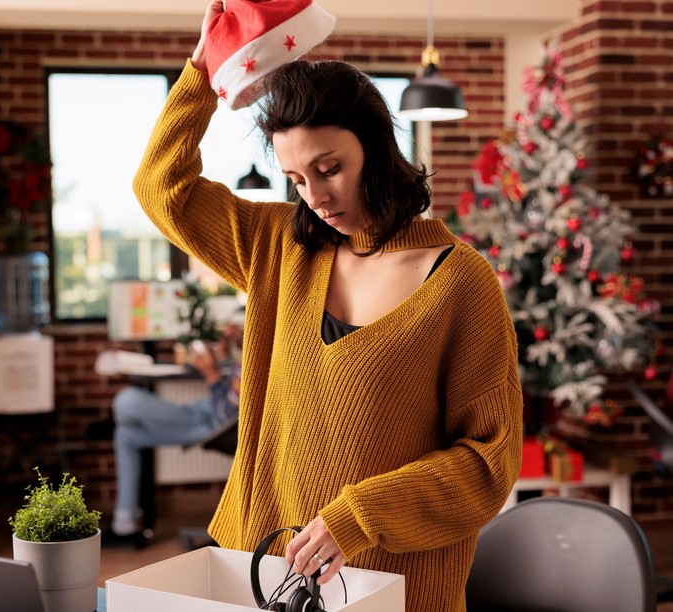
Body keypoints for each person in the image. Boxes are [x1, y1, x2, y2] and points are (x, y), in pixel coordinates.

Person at [132, 1, 523, 608]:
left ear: (375, 145)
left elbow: (488, 463)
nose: (315, 196)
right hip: (258, 573)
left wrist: (359, 516)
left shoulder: (460, 284)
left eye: (329, 168)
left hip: (395, 590)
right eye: (295, 178)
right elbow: (161, 187)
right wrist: (202, 70)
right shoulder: (281, 249)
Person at [106, 326, 241, 547]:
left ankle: (124, 419)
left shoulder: (257, 348)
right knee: (125, 435)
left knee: (126, 400)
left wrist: (212, 375)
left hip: (219, 423)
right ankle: (124, 526)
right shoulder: (250, 345)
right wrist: (236, 345)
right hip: (207, 410)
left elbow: (227, 415)